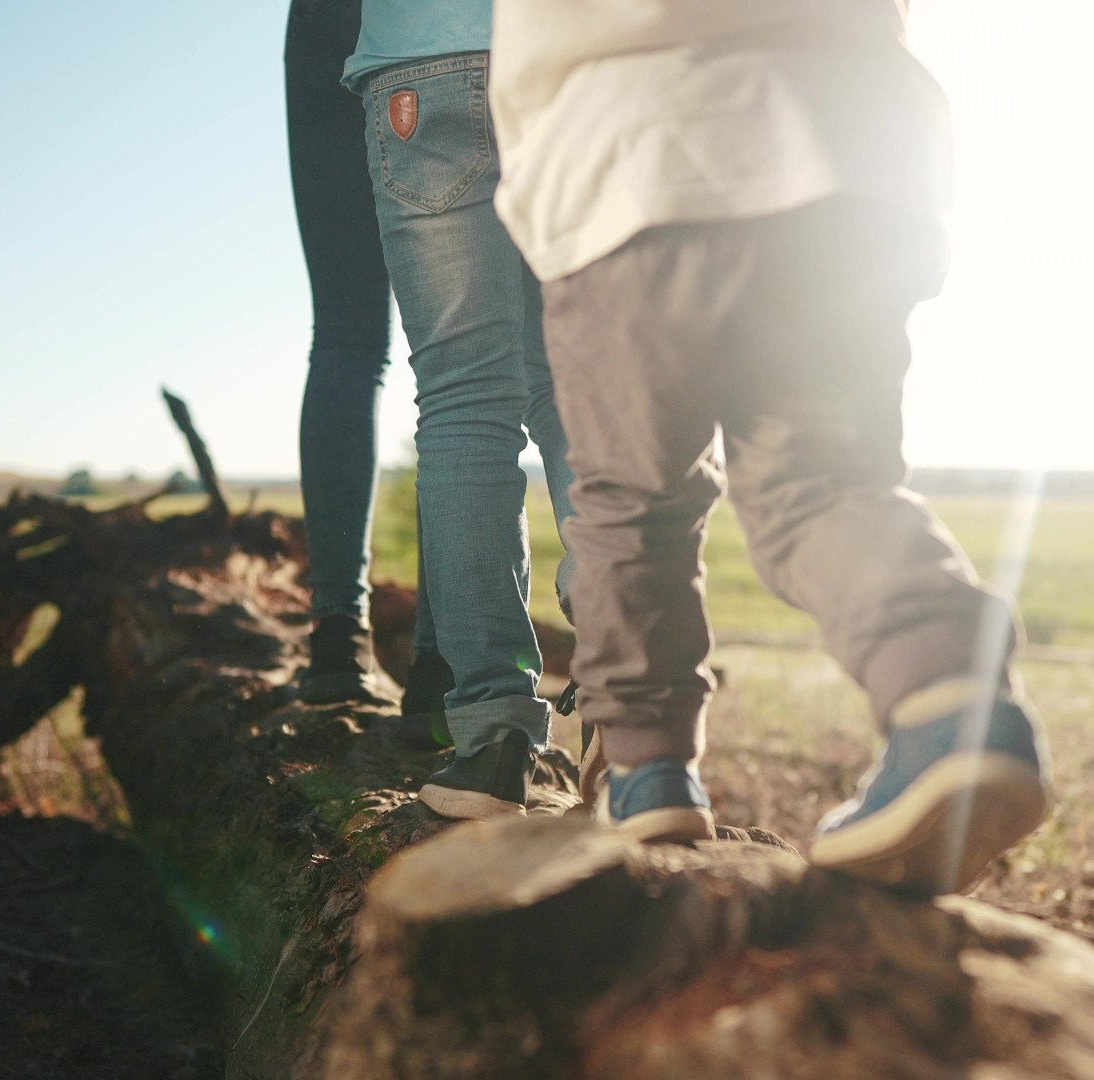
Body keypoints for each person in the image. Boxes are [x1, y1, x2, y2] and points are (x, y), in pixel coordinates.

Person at [488, 0, 1050, 893]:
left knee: (633, 499)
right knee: (823, 484)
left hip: (631, 142)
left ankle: (646, 772)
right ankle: (953, 699)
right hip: (851, 135)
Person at [340, 2, 578, 818]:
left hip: (421, 69)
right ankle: (635, 713)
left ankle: (494, 739)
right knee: (579, 385)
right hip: (567, 60)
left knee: (465, 399)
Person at [285, 0, 456, 722]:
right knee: (457, 360)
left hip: (325, 28)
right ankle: (442, 666)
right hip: (447, 35)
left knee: (346, 339)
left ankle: (335, 640)